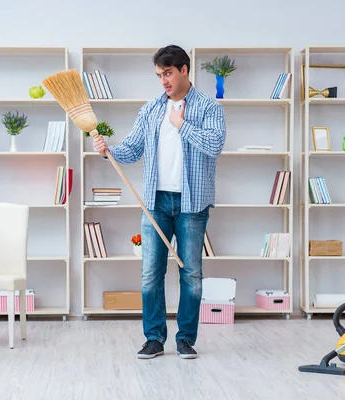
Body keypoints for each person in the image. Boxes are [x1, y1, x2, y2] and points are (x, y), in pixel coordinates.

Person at [93, 45, 226, 359]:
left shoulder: (208, 107)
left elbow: (215, 144)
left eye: (167, 73)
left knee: (191, 273)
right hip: (155, 201)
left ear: (183, 69)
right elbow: (133, 148)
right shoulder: (151, 109)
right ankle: (154, 338)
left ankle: (185, 340)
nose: (163, 81)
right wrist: (108, 150)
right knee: (151, 273)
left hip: (193, 203)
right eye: (159, 75)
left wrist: (182, 125)